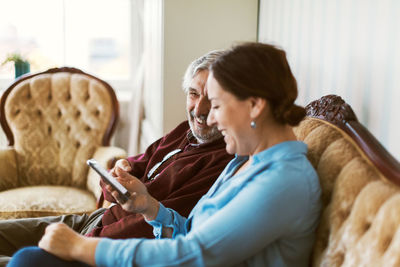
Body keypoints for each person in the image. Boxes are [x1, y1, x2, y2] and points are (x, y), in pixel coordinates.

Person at [9, 42, 322, 267]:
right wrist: (150, 207)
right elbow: (191, 231)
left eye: (215, 105)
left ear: (254, 105)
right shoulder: (246, 161)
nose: (208, 117)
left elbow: (193, 253)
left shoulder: (284, 181)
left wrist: (82, 247)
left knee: (28, 260)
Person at [0, 50, 233, 266]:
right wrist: (119, 172)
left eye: (211, 100)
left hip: (106, 244)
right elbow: (135, 165)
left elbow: (148, 231)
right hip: (98, 220)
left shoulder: (222, 161)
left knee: (22, 261)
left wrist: (83, 241)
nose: (199, 109)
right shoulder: (184, 131)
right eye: (193, 94)